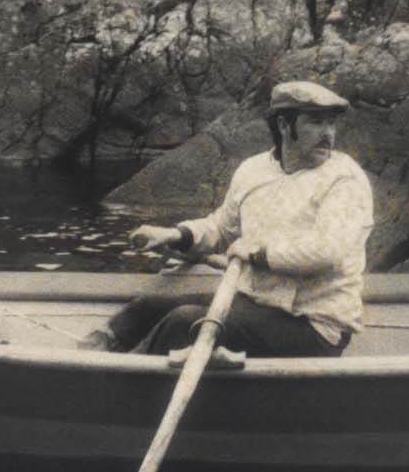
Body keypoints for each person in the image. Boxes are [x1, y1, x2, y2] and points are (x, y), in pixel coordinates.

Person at [79, 81, 372, 358]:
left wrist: (259, 255)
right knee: (147, 308)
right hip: (256, 304)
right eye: (315, 122)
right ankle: (90, 362)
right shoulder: (254, 170)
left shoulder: (345, 180)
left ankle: (129, 390)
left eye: (331, 122)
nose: (328, 133)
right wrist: (177, 235)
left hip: (313, 324)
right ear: (284, 125)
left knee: (184, 322)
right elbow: (222, 227)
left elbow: (326, 252)